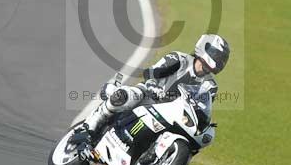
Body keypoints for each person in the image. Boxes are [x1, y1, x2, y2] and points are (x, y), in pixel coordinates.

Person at [73, 34, 230, 146]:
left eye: (221, 59)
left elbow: (203, 108)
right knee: (125, 96)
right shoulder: (180, 59)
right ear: (204, 48)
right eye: (216, 55)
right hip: (149, 96)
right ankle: (89, 128)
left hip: (172, 114)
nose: (218, 61)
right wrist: (153, 85)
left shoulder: (210, 86)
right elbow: (152, 72)